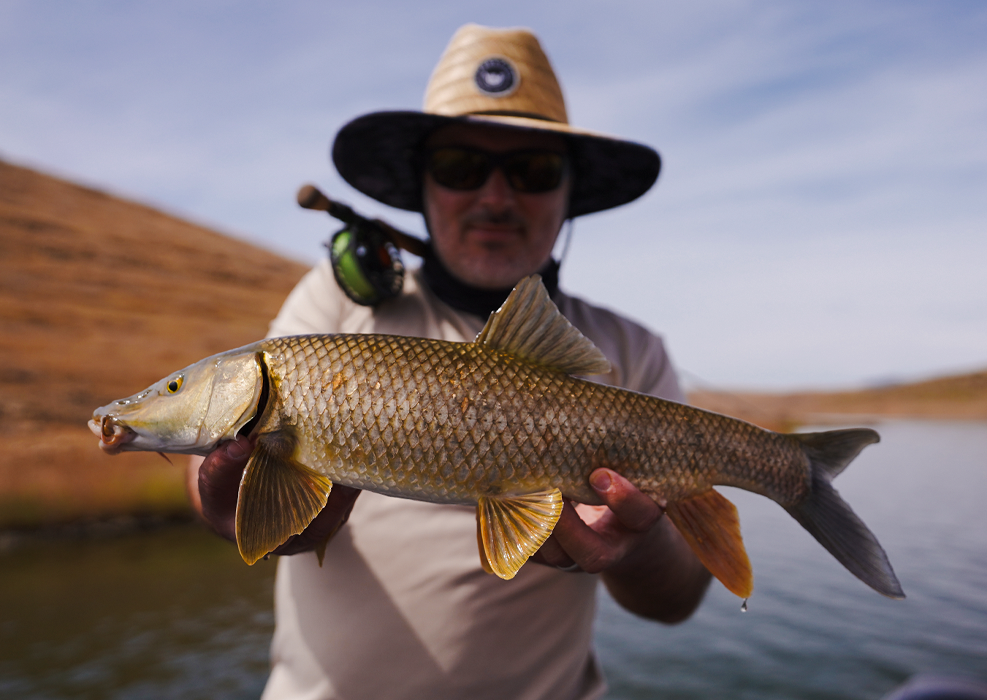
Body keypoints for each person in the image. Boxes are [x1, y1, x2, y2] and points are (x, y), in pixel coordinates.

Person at [187, 25, 708, 699]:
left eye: (533, 170)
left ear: (569, 193)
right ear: (423, 187)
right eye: (461, 167)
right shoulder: (333, 308)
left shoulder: (632, 350)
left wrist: (639, 548)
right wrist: (229, 491)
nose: (496, 197)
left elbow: (676, 601)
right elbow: (217, 497)